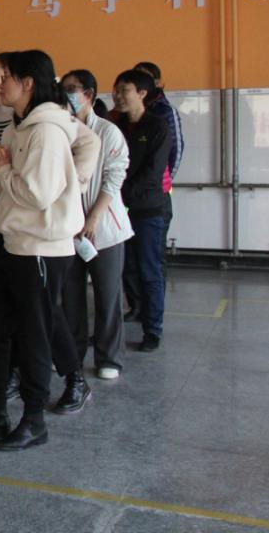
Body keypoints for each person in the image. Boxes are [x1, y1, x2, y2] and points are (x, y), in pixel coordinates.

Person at [0, 50, 98, 451]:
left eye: (5, 76)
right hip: (12, 240)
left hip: (40, 247)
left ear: (27, 82)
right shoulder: (18, 122)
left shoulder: (46, 128)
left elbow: (36, 193)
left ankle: (34, 420)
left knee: (35, 334)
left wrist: (69, 185)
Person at [61, 69, 132, 380]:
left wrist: (92, 218)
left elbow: (114, 178)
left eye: (72, 89)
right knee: (71, 295)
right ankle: (72, 354)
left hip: (104, 228)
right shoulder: (60, 131)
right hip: (68, 228)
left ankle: (109, 358)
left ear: (88, 94)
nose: (66, 95)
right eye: (63, 89)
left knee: (107, 295)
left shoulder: (107, 131)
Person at [111, 69, 172, 351]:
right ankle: (132, 311)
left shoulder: (157, 126)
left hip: (148, 209)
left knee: (150, 270)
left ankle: (153, 330)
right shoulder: (115, 124)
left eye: (124, 90)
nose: (118, 96)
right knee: (124, 268)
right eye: (116, 90)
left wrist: (119, 194)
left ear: (142, 93)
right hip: (117, 207)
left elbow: (153, 172)